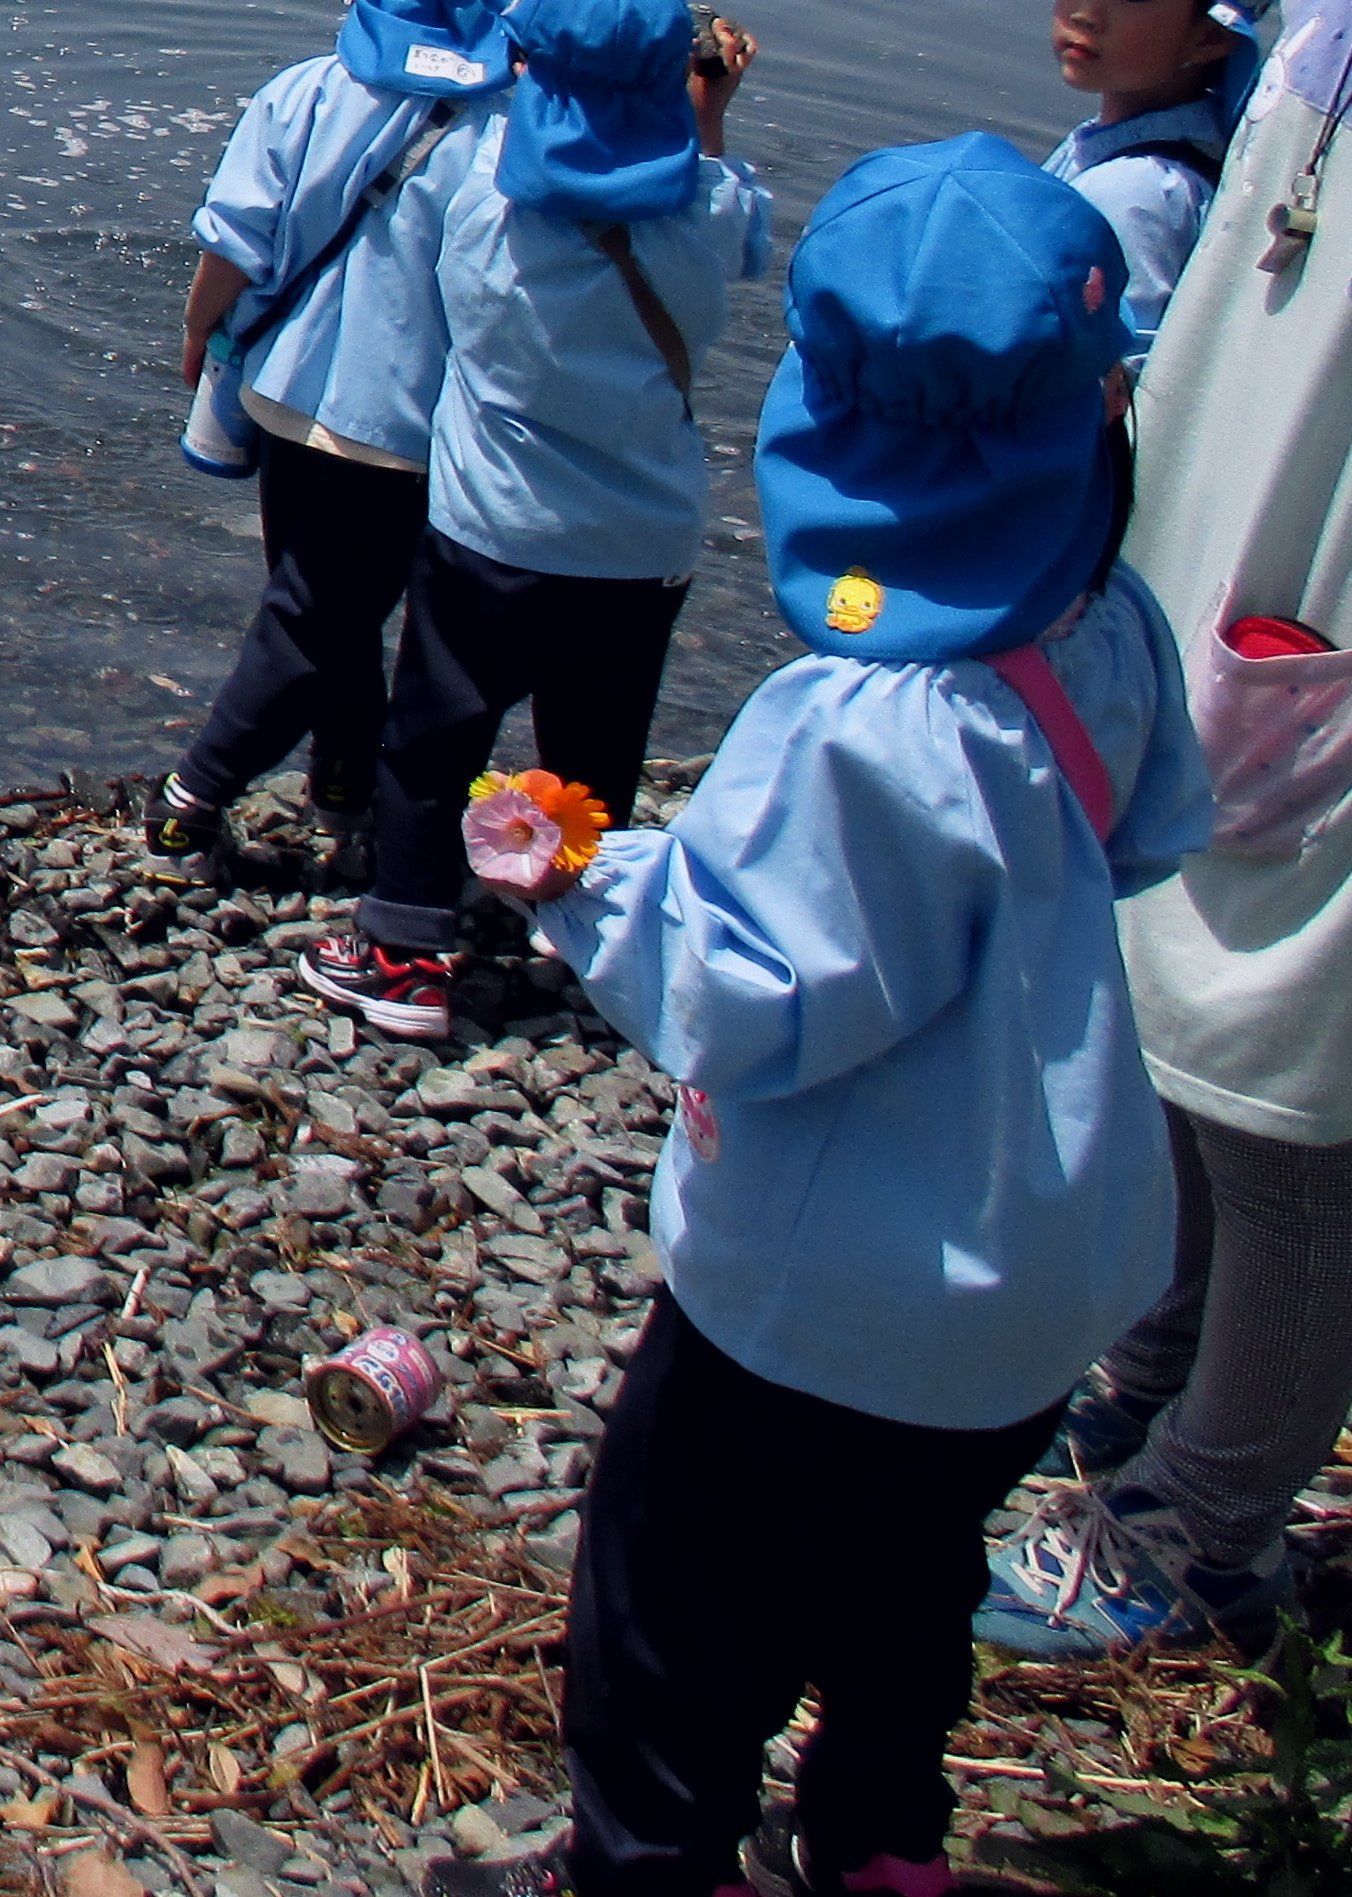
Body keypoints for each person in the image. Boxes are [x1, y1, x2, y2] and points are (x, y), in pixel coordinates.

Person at [428, 138, 1209, 1897]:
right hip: (1049, 1263)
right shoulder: (1103, 628)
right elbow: (1150, 830)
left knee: (668, 1611)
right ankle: (874, 1844)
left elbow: (743, 1004)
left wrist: (577, 884)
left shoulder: (859, 718)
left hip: (828, 1295)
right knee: (906, 1575)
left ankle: (646, 1864)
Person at [977, 0, 1352, 1660]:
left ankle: (1206, 1526)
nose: (1077, 15)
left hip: (1258, 641)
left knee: (1280, 1113)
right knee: (1188, 1045)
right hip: (1215, 618)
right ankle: (1150, 1375)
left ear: (1210, 28)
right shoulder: (1270, 82)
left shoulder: (1144, 192)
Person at [306, 0, 770, 1042]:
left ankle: (407, 954)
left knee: (432, 742)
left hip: (492, 538)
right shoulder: (707, 206)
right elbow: (736, 226)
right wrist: (708, 112)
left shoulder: (480, 181)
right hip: (643, 544)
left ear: (527, 59)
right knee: (596, 750)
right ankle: (580, 929)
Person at [151, 0, 514, 884]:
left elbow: (234, 245)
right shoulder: (506, 125)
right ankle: (200, 793)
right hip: (407, 421)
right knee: (327, 608)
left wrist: (197, 331)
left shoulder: (305, 93)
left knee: (315, 598)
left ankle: (339, 777)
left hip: (286, 393)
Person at [1032, 0, 1282, 359]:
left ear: (1210, 37)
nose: (1086, 12)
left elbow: (1119, 373)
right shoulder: (1122, 145)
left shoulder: (1135, 191)